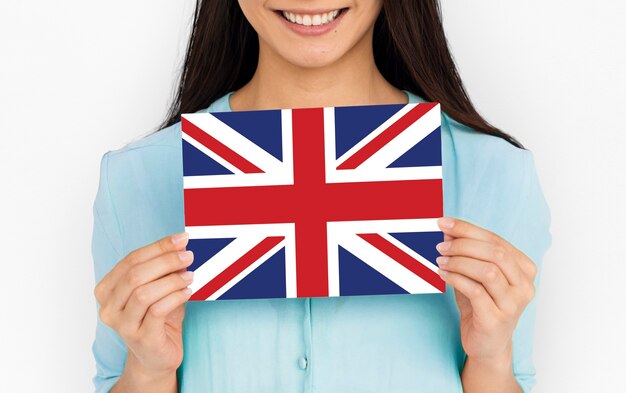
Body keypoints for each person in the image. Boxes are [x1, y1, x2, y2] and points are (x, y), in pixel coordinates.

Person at [91, 1, 552, 392]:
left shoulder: (497, 174)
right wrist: (149, 369)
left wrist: (491, 360)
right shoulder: (136, 178)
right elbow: (117, 375)